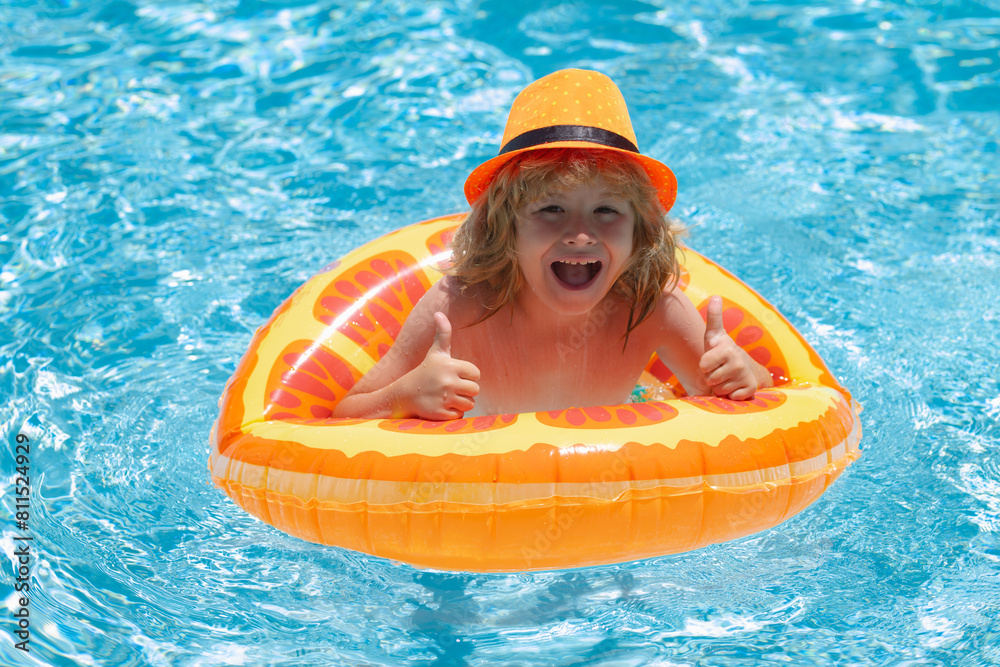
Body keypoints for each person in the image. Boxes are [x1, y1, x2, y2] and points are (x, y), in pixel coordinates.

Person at [334, 69, 772, 420]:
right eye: (551, 210)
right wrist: (408, 395)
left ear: (640, 230)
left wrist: (743, 372)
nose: (581, 234)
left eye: (606, 211)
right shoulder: (461, 307)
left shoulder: (649, 306)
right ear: (504, 228)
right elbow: (347, 414)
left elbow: (749, 396)